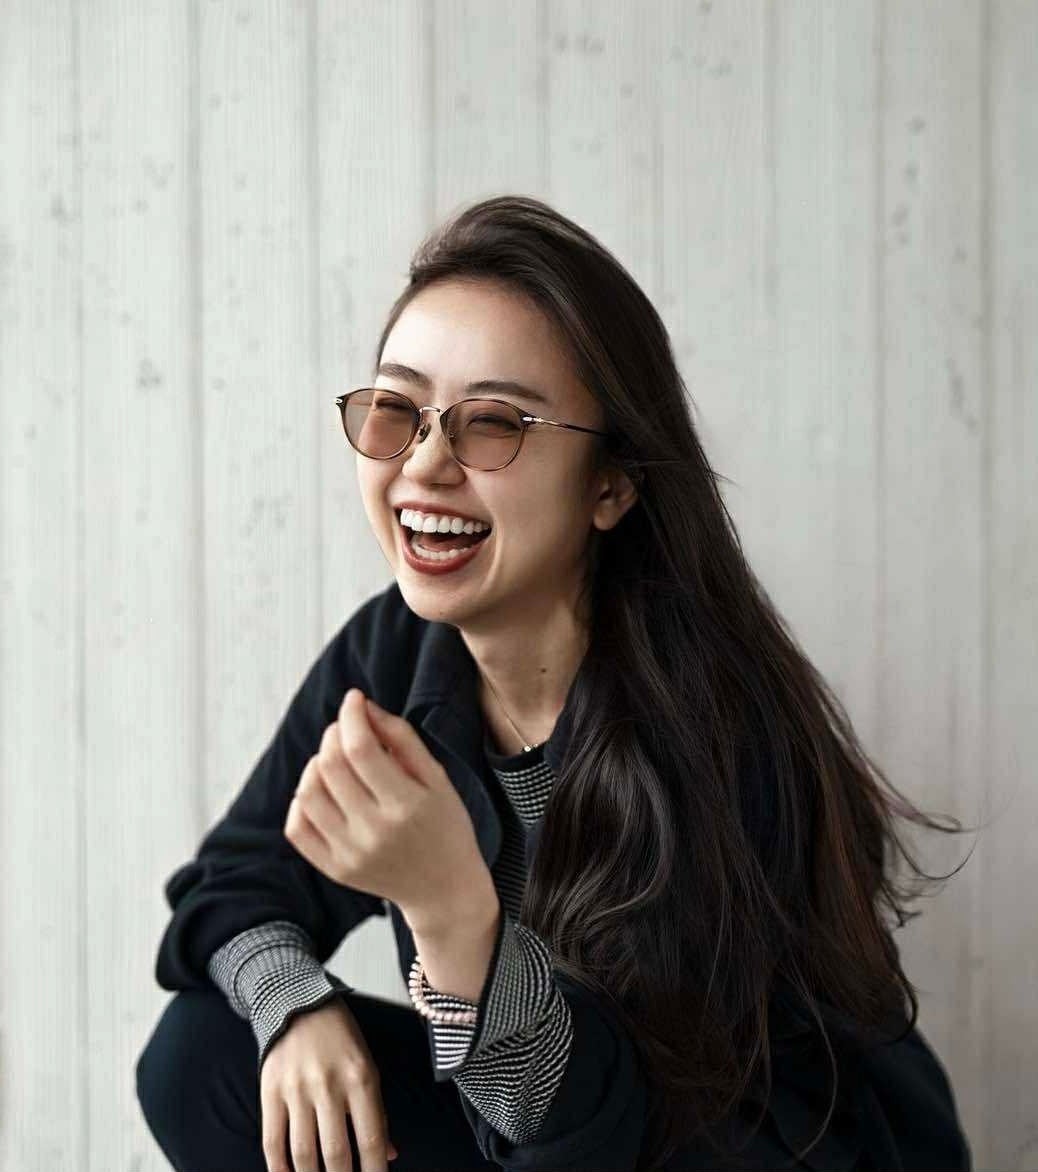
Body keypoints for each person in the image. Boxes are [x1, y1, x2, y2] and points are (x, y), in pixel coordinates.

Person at [136, 195, 974, 1172]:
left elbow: (601, 1139)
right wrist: (297, 1009)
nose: (426, 464)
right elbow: (233, 885)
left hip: (741, 1148)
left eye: (494, 424)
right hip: (545, 1129)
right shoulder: (396, 655)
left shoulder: (713, 731)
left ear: (610, 484)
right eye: (398, 410)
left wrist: (452, 911)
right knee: (205, 1055)